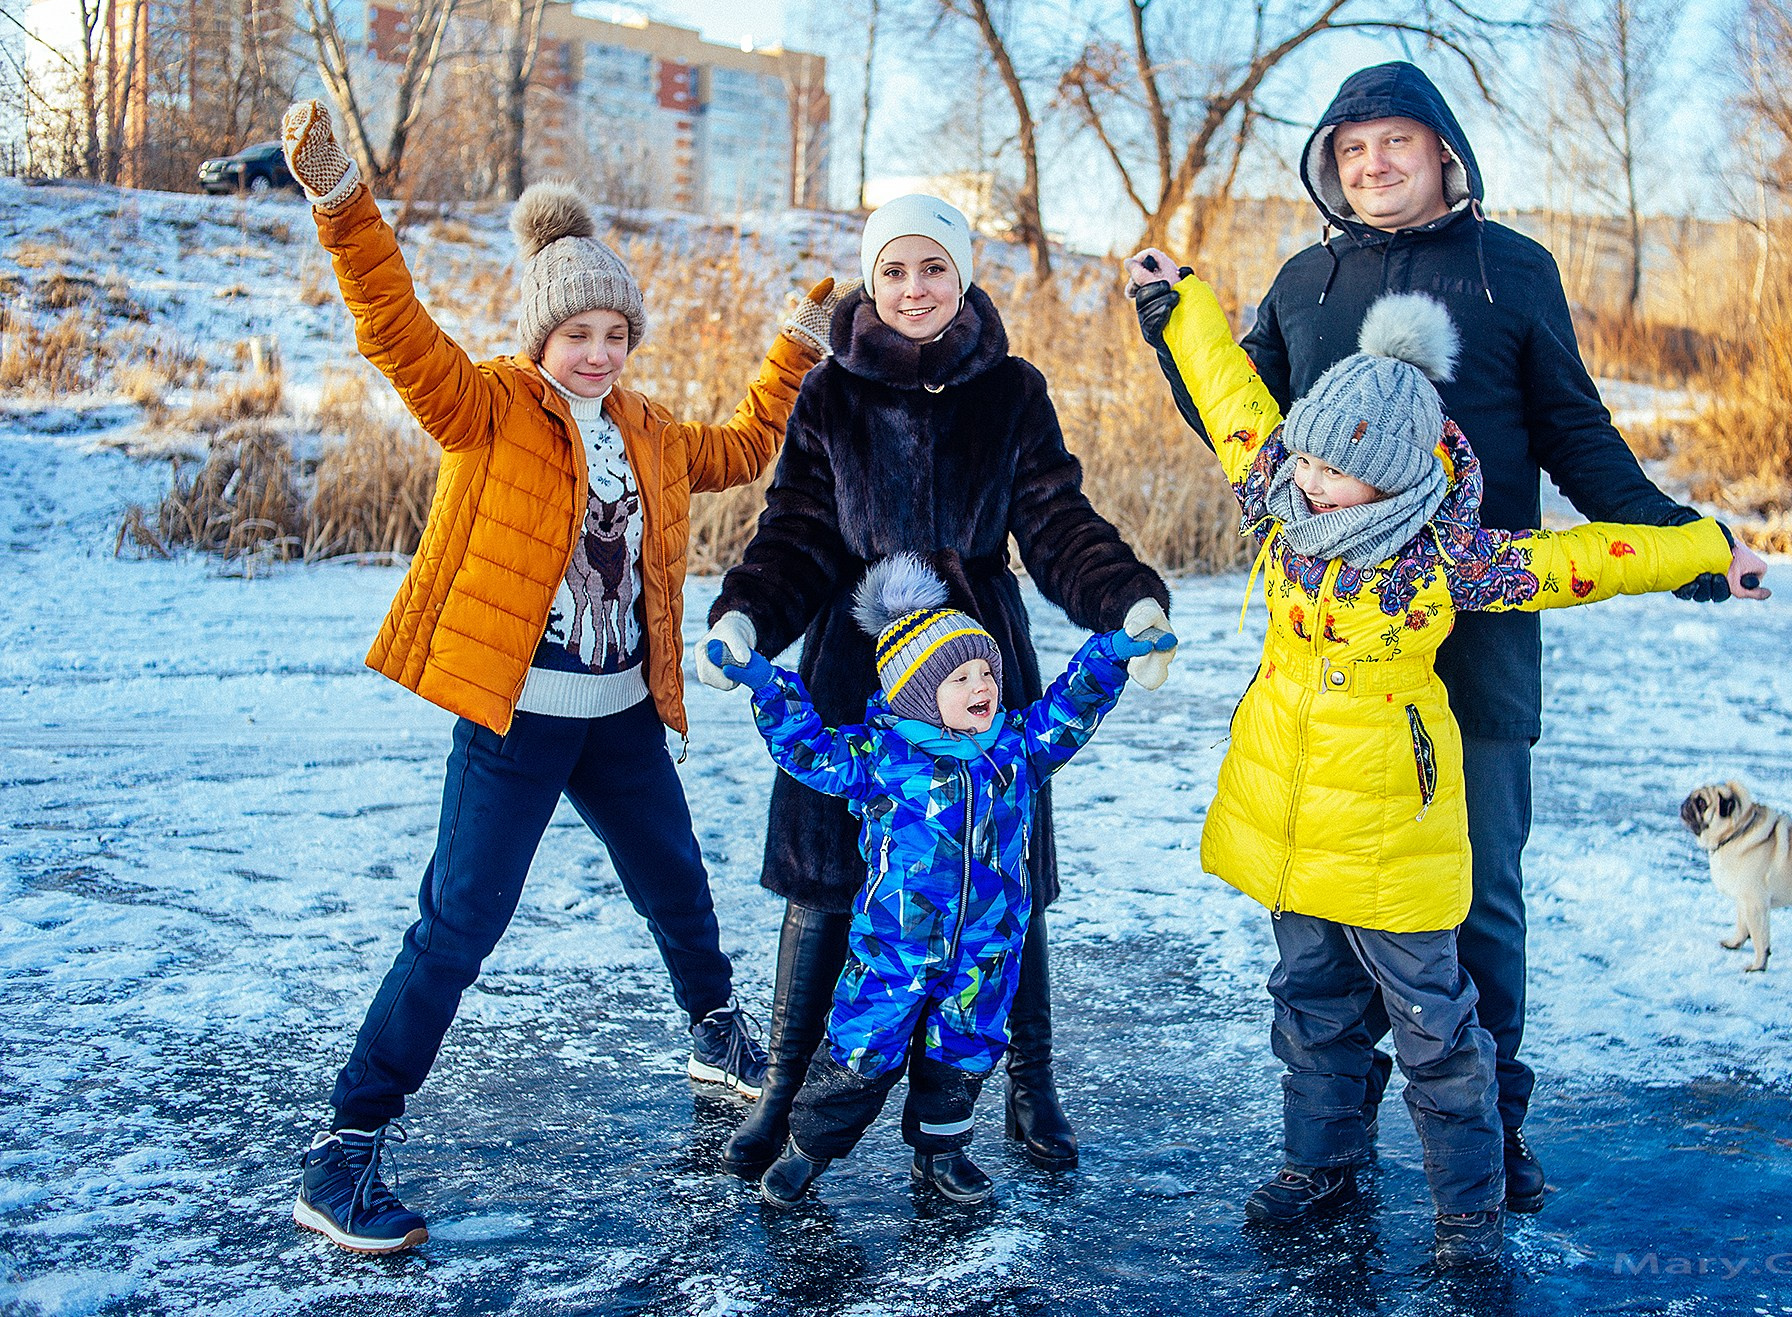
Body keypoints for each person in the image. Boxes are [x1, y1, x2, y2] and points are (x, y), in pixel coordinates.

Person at [1133, 60, 1767, 1212]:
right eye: (1350, 147)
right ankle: (1324, 1153)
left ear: (1442, 150)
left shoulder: (1510, 269)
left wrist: (1691, 547)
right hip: (1338, 654)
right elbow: (1250, 434)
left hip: (1472, 628)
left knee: (1472, 900)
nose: (1370, 164)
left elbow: (1577, 437)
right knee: (1318, 904)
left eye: (1394, 143)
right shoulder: (1303, 276)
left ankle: (1491, 1139)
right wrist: (1172, 320)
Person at [275, 100, 829, 1254]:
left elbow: (739, 449)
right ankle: (346, 1147)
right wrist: (342, 204)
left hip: (622, 715)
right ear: (539, 336)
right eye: (575, 332)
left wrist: (793, 349)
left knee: (676, 886)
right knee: (457, 927)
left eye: (614, 332)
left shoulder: (646, 426)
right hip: (516, 720)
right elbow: (393, 326)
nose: (597, 351)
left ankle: (717, 1032)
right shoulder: (482, 407)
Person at [704, 195, 1175, 1181]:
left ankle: (1029, 1084)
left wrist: (1122, 599)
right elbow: (794, 530)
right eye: (892, 271)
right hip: (851, 665)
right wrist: (748, 611)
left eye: (930, 269)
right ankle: (787, 1096)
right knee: (824, 878)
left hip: (977, 670)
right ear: (870, 283)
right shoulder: (828, 397)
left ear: (960, 277)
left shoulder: (1010, 390)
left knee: (999, 880)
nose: (911, 288)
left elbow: (1055, 520)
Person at [702, 554, 1172, 1207]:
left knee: (963, 1054)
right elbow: (806, 746)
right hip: (893, 955)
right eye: (962, 675)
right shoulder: (882, 759)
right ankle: (807, 1149)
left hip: (983, 952)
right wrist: (762, 680)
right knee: (858, 1056)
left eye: (987, 671)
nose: (983, 682)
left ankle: (942, 1152)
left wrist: (1113, 652)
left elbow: (1068, 708)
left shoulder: (1016, 750)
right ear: (921, 692)